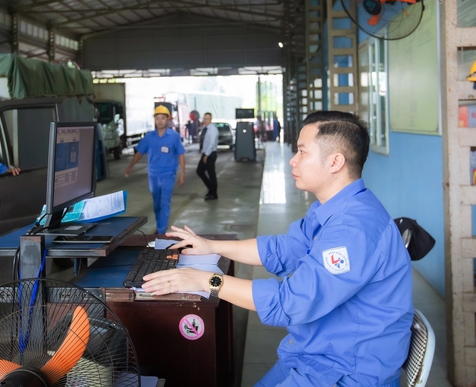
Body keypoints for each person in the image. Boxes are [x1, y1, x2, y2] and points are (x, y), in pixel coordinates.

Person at [142, 111, 413, 387]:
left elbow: (290, 302)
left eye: (302, 152)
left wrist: (206, 281)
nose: (292, 160)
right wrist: (211, 246)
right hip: (313, 354)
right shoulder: (330, 209)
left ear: (335, 162)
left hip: (346, 372)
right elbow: (283, 249)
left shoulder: (354, 230)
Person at [124, 105, 186, 235]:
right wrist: (130, 166)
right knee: (157, 204)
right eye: (157, 118)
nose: (160, 121)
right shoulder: (149, 137)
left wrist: (182, 174)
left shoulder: (174, 136)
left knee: (164, 203)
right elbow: (139, 153)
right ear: (154, 120)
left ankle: (161, 231)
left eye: (163, 118)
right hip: (153, 175)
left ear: (167, 120)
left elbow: (181, 155)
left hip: (168, 174)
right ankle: (160, 226)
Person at [196, 112, 218, 201]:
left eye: (207, 119)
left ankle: (214, 193)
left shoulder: (213, 129)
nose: (205, 120)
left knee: (211, 174)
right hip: (205, 153)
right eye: (204, 119)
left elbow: (212, 144)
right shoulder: (205, 129)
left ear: (210, 119)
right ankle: (211, 189)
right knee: (199, 171)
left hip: (210, 154)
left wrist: (206, 155)